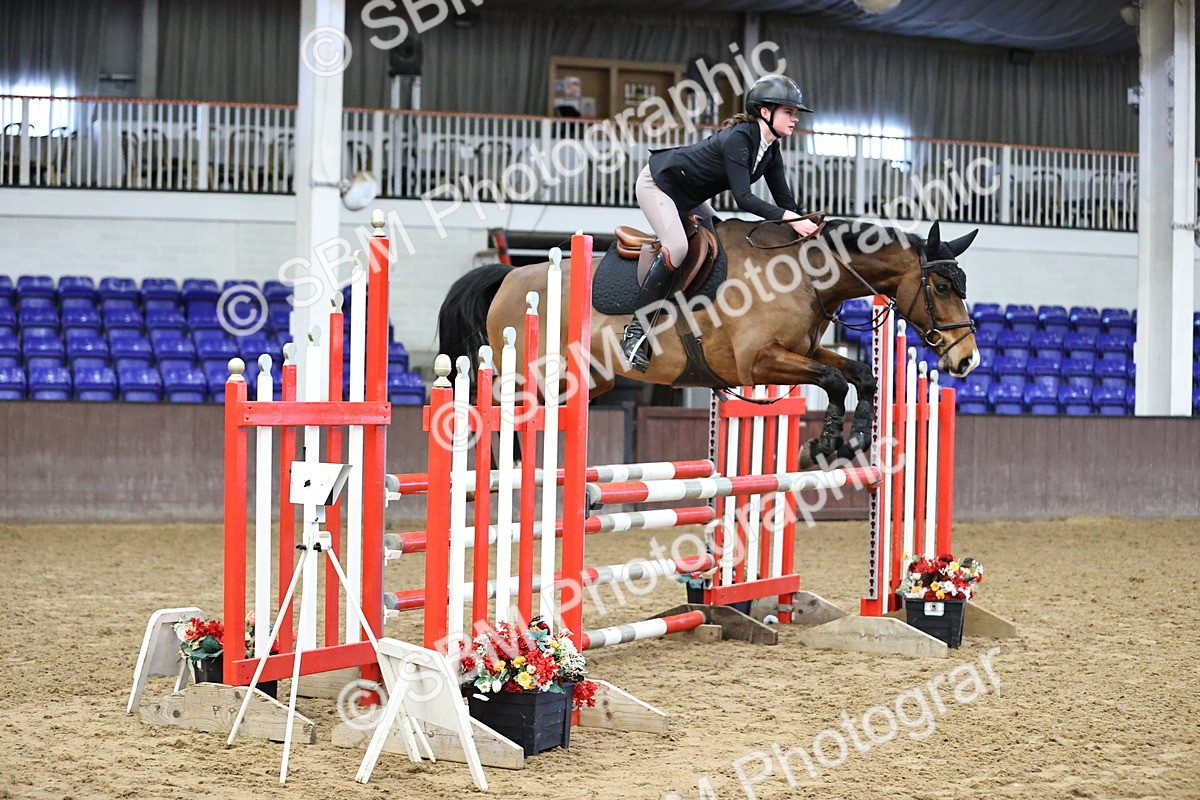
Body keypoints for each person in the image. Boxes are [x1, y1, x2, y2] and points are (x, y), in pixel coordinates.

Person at [621, 74, 818, 372]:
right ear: (765, 112)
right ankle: (636, 331)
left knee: (722, 241)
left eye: (795, 114)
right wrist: (790, 219)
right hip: (659, 184)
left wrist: (811, 225)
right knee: (676, 247)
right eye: (789, 112)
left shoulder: (771, 150)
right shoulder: (740, 138)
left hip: (690, 195)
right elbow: (744, 198)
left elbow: (786, 203)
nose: (795, 120)